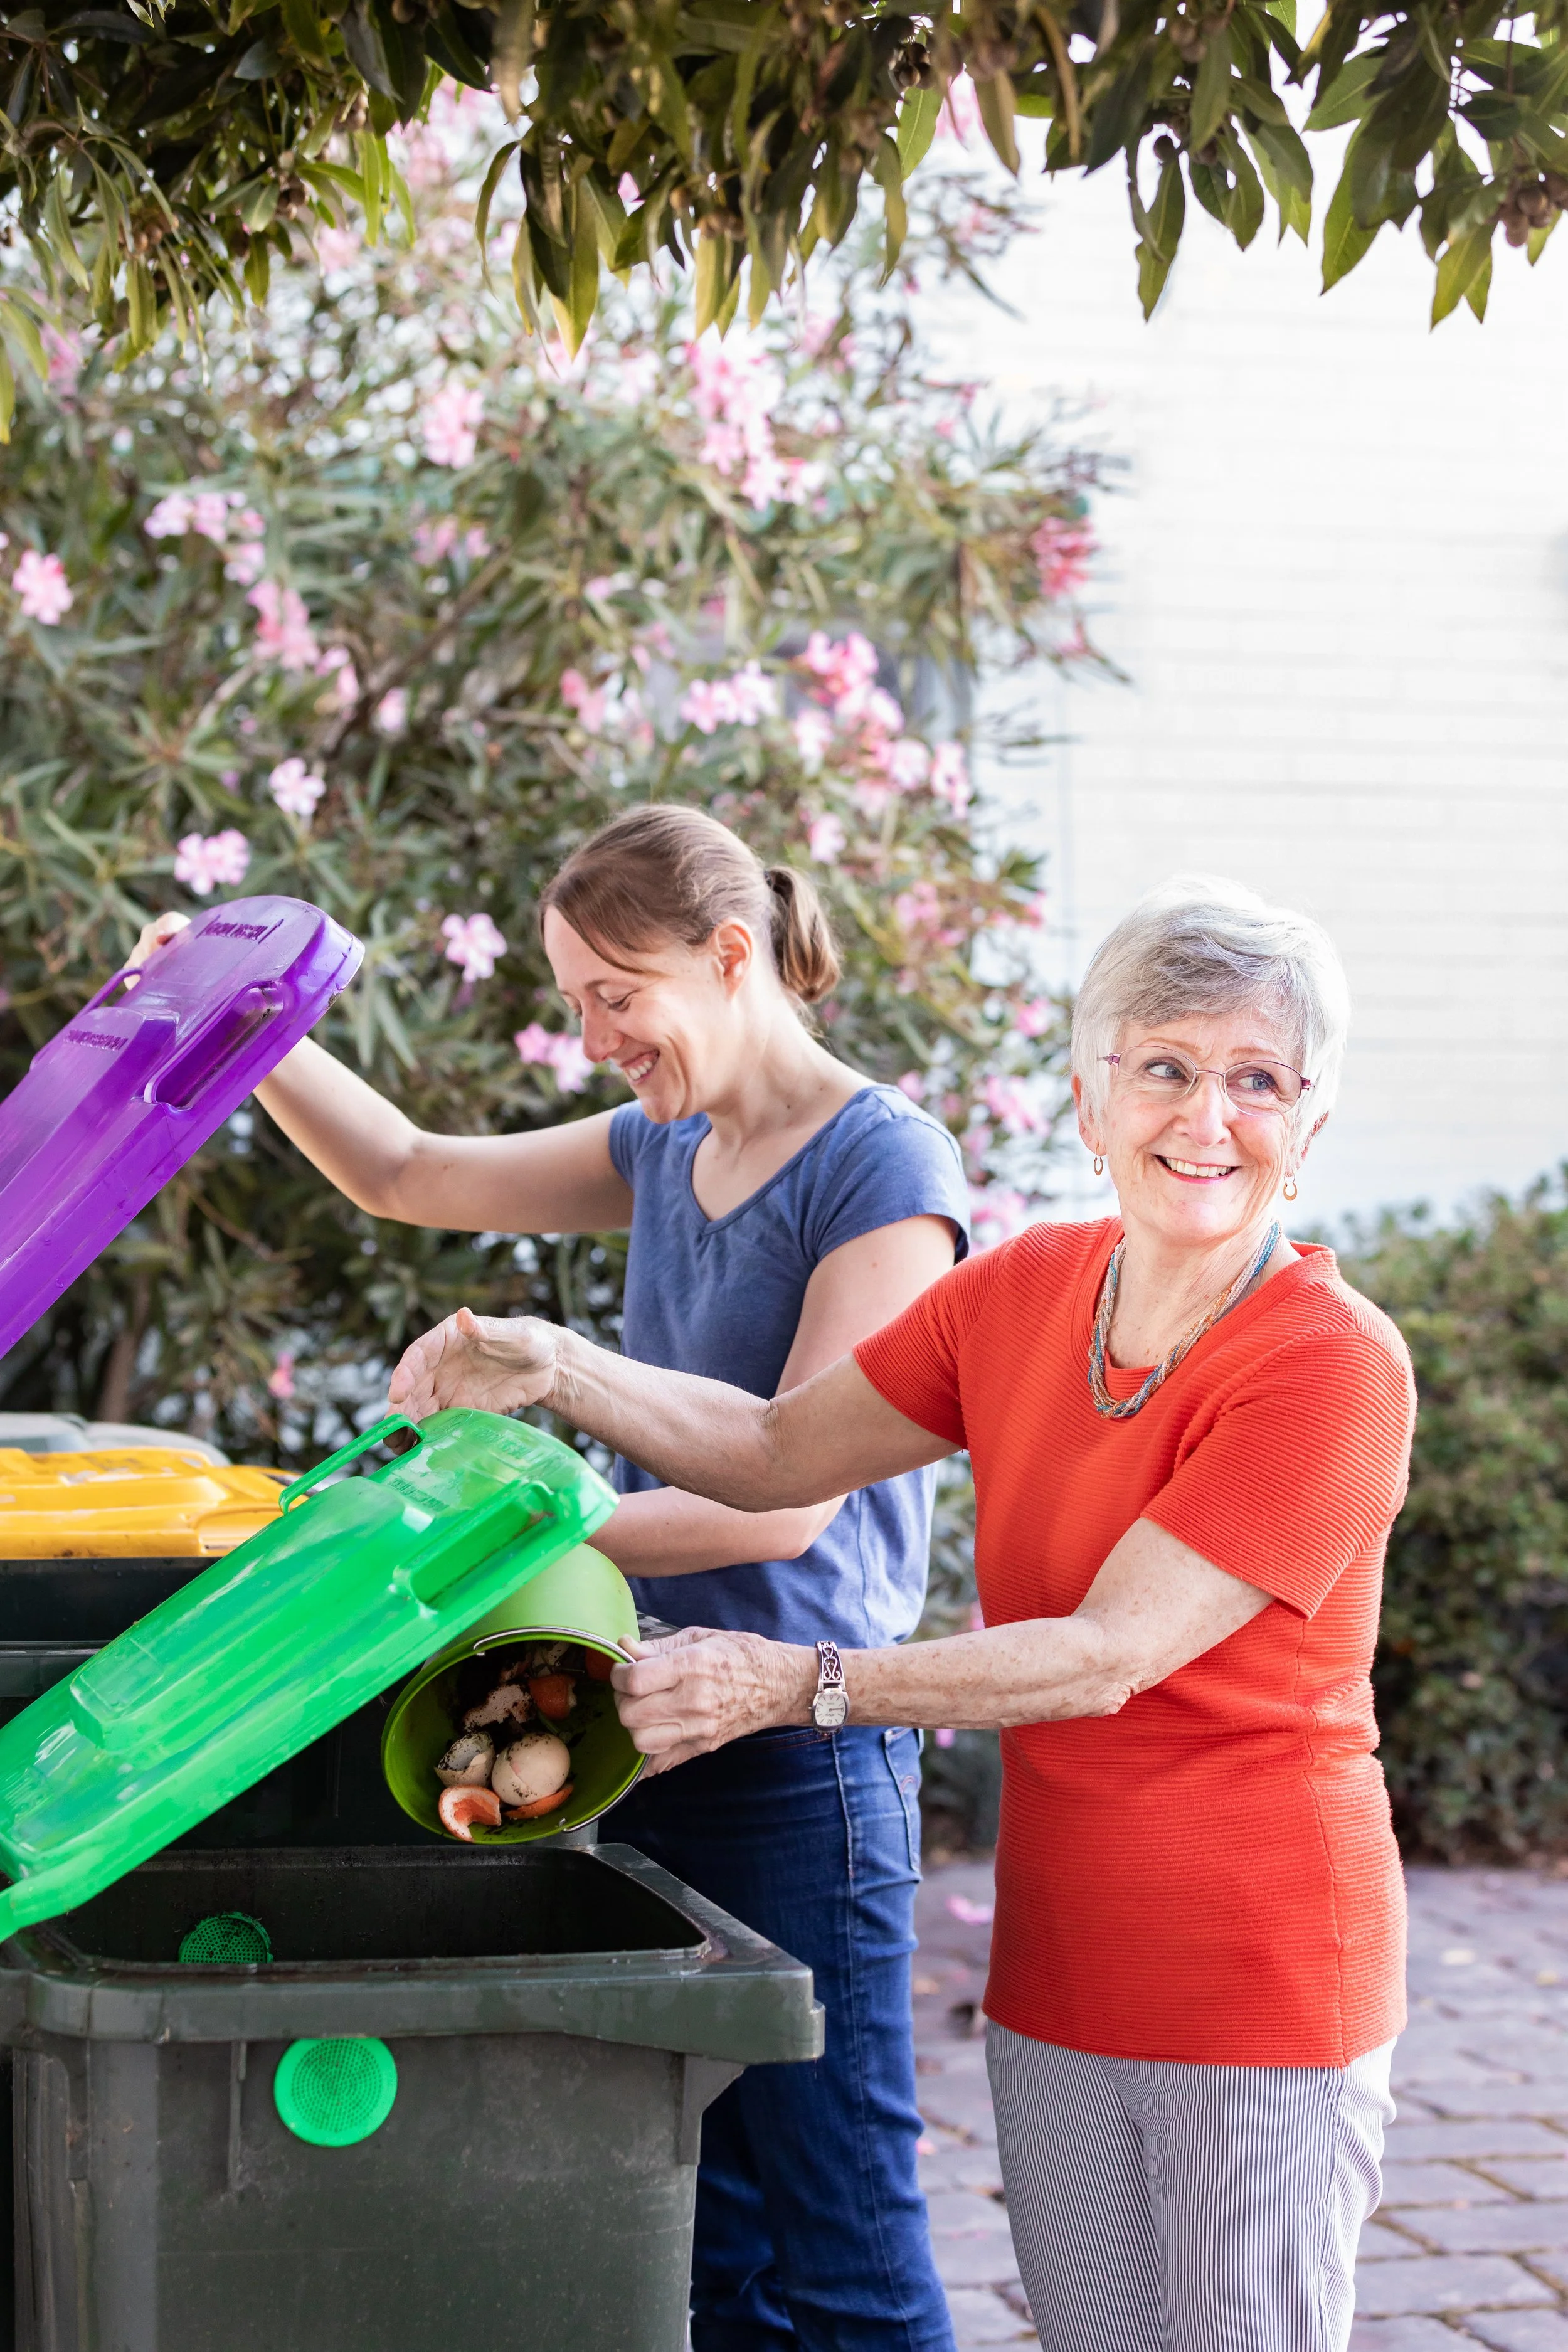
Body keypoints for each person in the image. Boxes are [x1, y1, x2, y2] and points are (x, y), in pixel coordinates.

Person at [387, 874, 1419, 2352]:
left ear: (1307, 1125)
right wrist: (555, 1366)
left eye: (1256, 1081)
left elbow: (1105, 1655)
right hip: (1062, 1956)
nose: (1206, 1118)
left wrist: (791, 1684)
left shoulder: (1325, 1365)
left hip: (1254, 1966)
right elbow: (772, 1448)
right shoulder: (1024, 1292)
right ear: (1088, 1097)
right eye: (1166, 1071)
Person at [129, 805, 968, 2352]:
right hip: (642, 1718)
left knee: (840, 2231)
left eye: (613, 998)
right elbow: (403, 1169)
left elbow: (780, 1508)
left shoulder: (880, 1168)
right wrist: (238, 1020)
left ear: (729, 958)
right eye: (576, 1001)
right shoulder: (669, 1146)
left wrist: (496, 1537)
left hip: (798, 1758)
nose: (591, 1040)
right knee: (704, 2228)